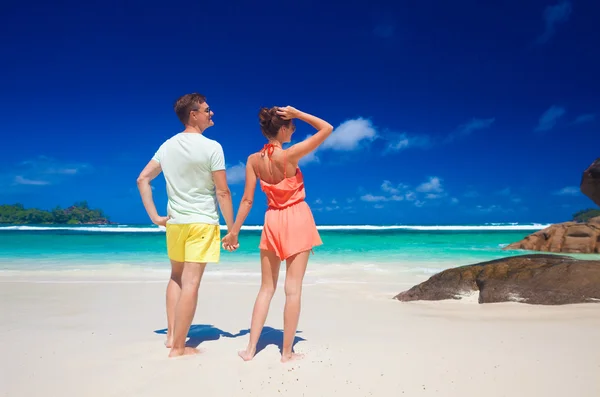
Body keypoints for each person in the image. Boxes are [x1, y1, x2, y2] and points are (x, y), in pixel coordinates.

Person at [222, 105, 333, 363]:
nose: (293, 130)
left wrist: (234, 231)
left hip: (272, 220)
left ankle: (250, 350)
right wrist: (300, 113)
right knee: (292, 290)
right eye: (291, 127)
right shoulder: (290, 155)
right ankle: (286, 353)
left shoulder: (253, 160)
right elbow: (327, 128)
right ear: (283, 129)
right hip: (297, 218)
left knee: (266, 289)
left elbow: (248, 200)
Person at [137, 93, 236, 358]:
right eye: (207, 109)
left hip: (176, 223)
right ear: (193, 114)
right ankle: (179, 348)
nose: (211, 113)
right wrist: (232, 227)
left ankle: (171, 337)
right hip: (201, 222)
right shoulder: (212, 147)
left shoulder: (167, 146)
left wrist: (155, 217)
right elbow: (222, 192)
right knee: (191, 283)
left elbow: (142, 179)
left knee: (176, 277)